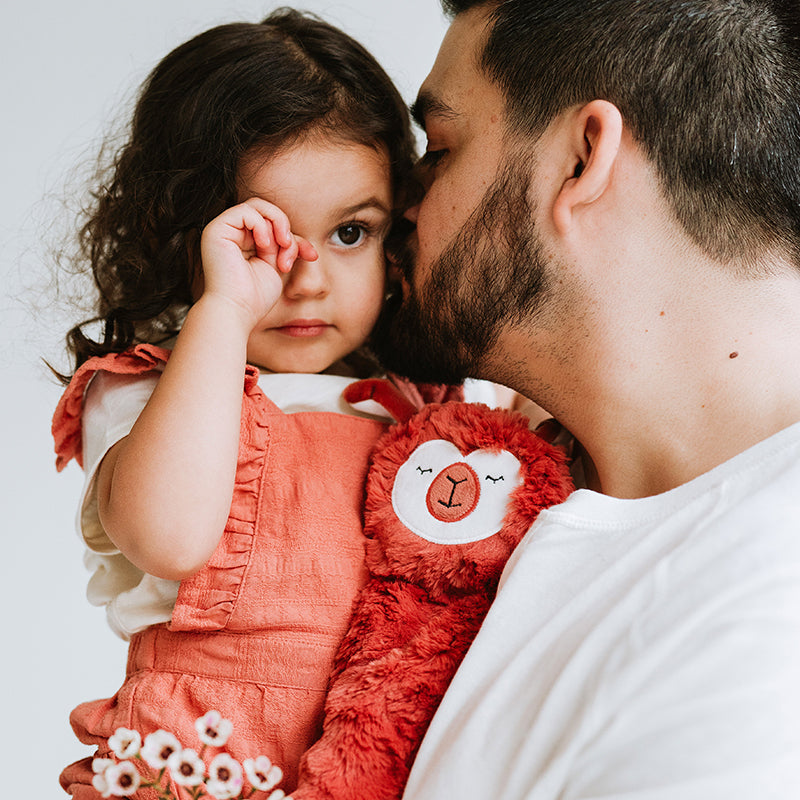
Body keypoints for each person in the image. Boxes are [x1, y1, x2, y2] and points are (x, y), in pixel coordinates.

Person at [51, 9, 510, 797]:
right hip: (208, 758)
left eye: (350, 233)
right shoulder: (151, 389)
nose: (305, 278)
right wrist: (223, 313)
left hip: (383, 751)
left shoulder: (420, 407)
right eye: (261, 239)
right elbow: (170, 538)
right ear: (183, 230)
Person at [369, 1, 800, 798]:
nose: (399, 204)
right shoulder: (515, 489)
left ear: (582, 160)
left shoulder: (766, 624)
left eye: (442, 147)